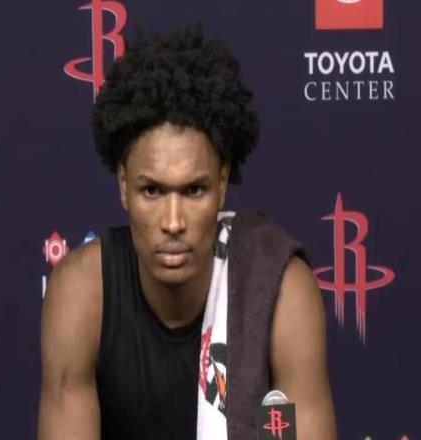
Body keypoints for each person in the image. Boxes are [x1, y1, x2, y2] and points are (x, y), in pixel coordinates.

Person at [37, 25, 336, 439]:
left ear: (222, 183)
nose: (173, 221)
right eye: (152, 191)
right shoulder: (82, 294)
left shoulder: (279, 290)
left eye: (194, 190)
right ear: (123, 185)